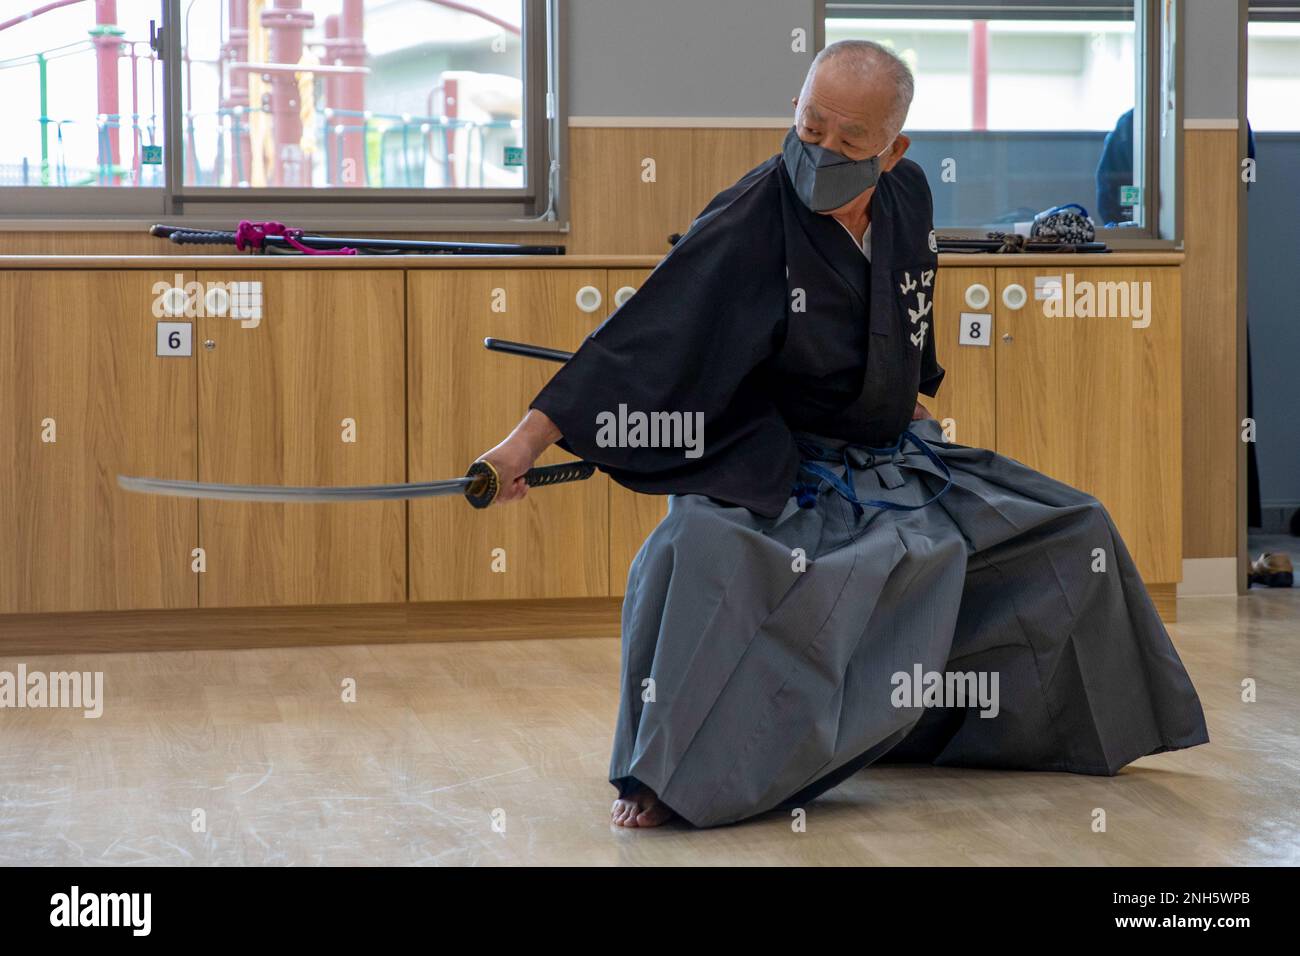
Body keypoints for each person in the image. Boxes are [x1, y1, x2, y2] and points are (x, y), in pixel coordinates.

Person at [478, 41, 1209, 829]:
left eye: (847, 141)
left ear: (893, 152)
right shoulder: (755, 210)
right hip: (783, 465)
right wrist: (522, 444)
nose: (819, 150)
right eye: (809, 125)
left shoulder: (909, 198)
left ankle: (965, 728)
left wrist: (909, 395)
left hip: (894, 460)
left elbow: (908, 313)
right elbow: (643, 333)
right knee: (699, 550)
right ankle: (668, 772)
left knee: (1074, 529)